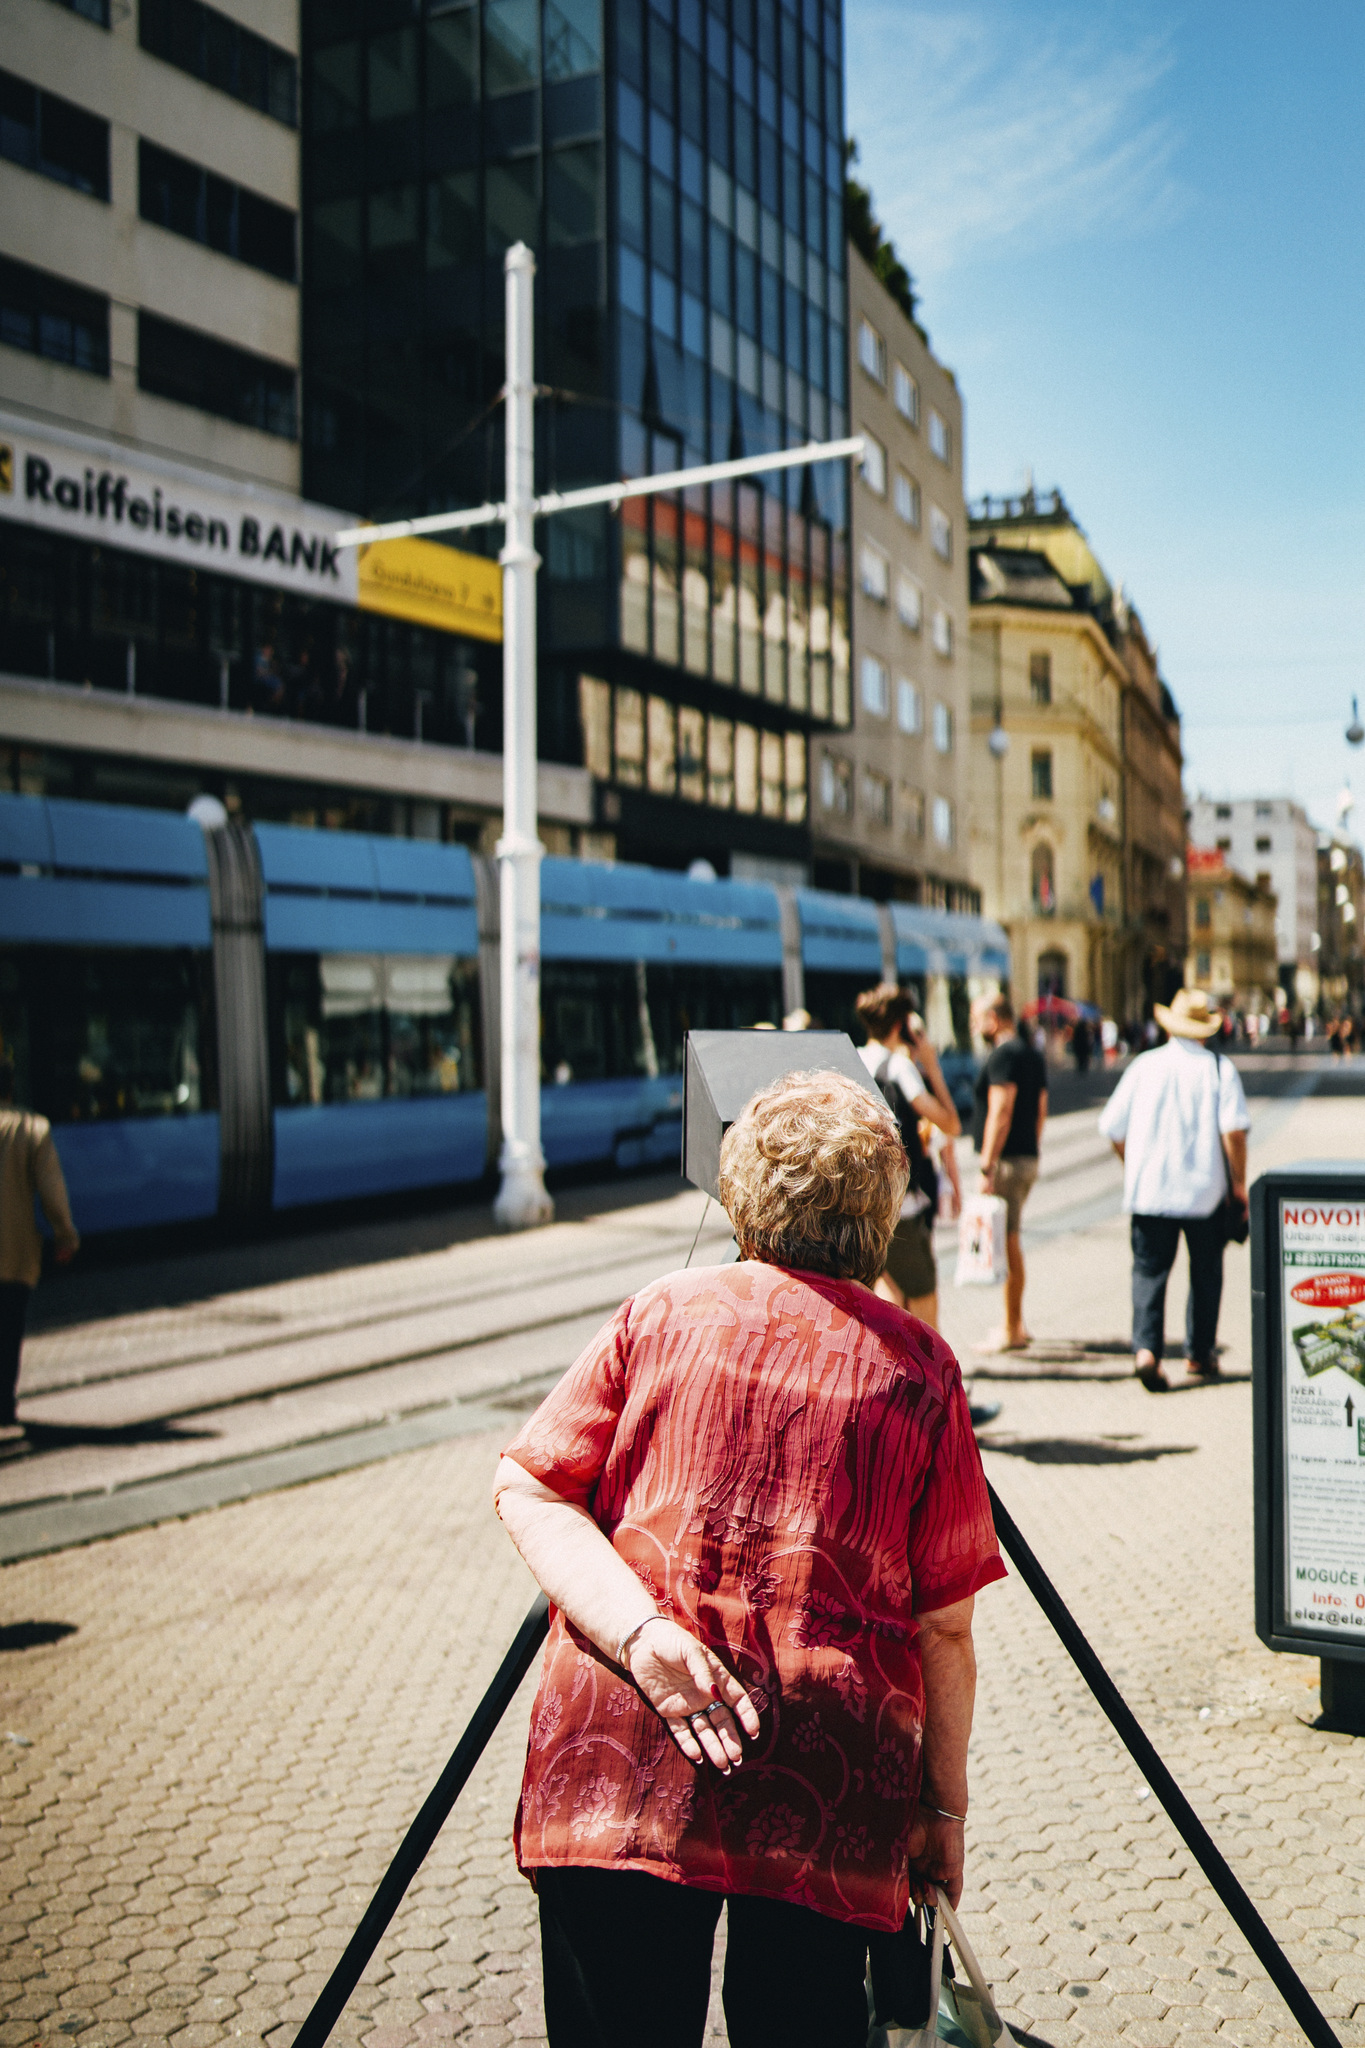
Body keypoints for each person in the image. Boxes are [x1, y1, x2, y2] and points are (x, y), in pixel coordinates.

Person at [494, 1069, 1005, 2048]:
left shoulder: (656, 1311)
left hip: (620, 1762)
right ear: (881, 1211)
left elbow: (530, 1481)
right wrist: (942, 1805)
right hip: (823, 1778)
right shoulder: (920, 1367)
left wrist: (641, 1633)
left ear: (738, 1191)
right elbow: (945, 1622)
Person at [1097, 987, 1250, 1392]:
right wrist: (1238, 1185)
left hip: (1150, 1192)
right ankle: (1199, 1353)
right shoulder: (1218, 1069)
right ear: (1205, 1029)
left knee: (1148, 1271)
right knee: (1206, 1274)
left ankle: (1146, 1352)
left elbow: (1111, 1126)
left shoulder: (1144, 1066)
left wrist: (1133, 1164)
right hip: (1206, 1193)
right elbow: (1234, 1132)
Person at [854, 983, 961, 1328]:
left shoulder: (850, 1060)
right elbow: (951, 1123)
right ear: (902, 1025)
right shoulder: (900, 1068)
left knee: (886, 1292)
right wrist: (931, 1065)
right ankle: (932, 1378)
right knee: (923, 1296)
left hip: (860, 1202)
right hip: (901, 1204)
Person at [0, 1060, 79, 1441]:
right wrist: (65, 1235)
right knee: (8, 1330)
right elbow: (52, 1192)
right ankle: (2, 1404)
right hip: (13, 1254)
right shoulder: (32, 1129)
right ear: (11, 1087)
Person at [969, 994, 1048, 1353]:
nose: (974, 1026)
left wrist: (987, 1165)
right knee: (1010, 1240)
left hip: (1007, 1161)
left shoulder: (1002, 1055)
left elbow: (1000, 1111)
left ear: (993, 1018)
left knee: (1009, 1242)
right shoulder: (1031, 1053)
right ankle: (1017, 1322)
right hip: (1026, 1155)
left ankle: (1011, 1328)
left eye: (976, 1018)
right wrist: (1033, 1145)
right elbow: (1041, 1109)